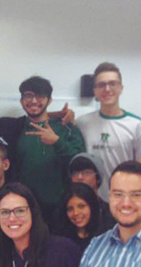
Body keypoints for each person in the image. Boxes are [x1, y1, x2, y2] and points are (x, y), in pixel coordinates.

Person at [16, 76, 85, 216]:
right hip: (27, 207)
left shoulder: (67, 127)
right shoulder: (16, 127)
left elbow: (80, 163)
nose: (33, 101)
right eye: (28, 96)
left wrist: (57, 142)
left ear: (49, 100)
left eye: (40, 96)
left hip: (62, 208)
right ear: (21, 101)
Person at [77, 62, 141, 188]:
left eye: (112, 84)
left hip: (123, 194)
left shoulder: (137, 125)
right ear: (95, 91)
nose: (107, 89)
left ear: (121, 88)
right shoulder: (82, 123)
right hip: (90, 195)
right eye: (101, 85)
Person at [53, 182, 111, 250]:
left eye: (81, 206)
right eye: (70, 209)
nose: (76, 213)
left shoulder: (106, 234)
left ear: (92, 206)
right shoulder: (61, 238)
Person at [68, 152, 113, 223]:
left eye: (86, 173)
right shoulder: (62, 212)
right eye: (75, 173)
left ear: (98, 178)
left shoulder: (110, 213)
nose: (80, 177)